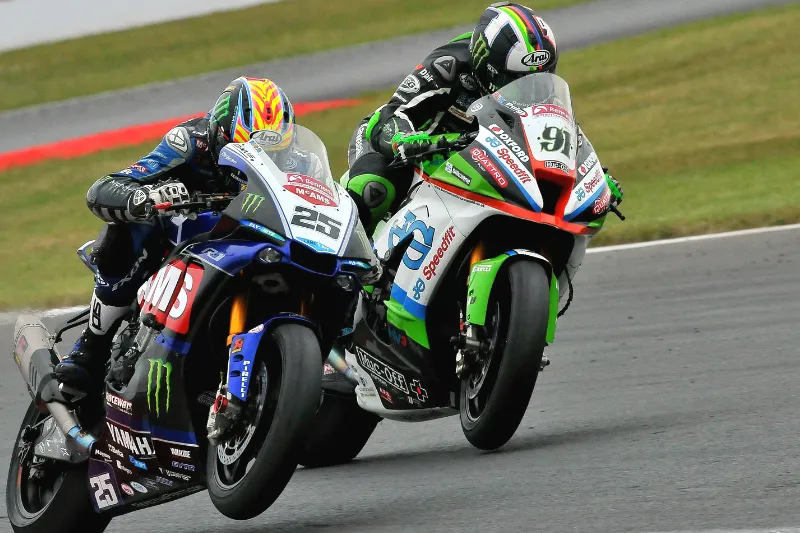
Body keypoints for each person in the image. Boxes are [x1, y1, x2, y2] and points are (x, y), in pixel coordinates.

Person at [342, 2, 624, 368]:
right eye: (515, 79)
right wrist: (402, 140)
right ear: (487, 66)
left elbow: (561, 135)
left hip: (480, 163)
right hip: (416, 148)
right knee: (373, 188)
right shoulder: (448, 65)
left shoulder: (535, 83)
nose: (526, 86)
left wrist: (594, 174)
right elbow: (391, 114)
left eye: (538, 75)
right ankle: (344, 290)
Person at [54, 76, 305, 396]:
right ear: (220, 134)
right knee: (135, 225)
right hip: (185, 235)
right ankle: (91, 345)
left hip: (254, 241)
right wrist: (142, 199)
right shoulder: (189, 142)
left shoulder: (299, 160)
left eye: (272, 153)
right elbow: (107, 187)